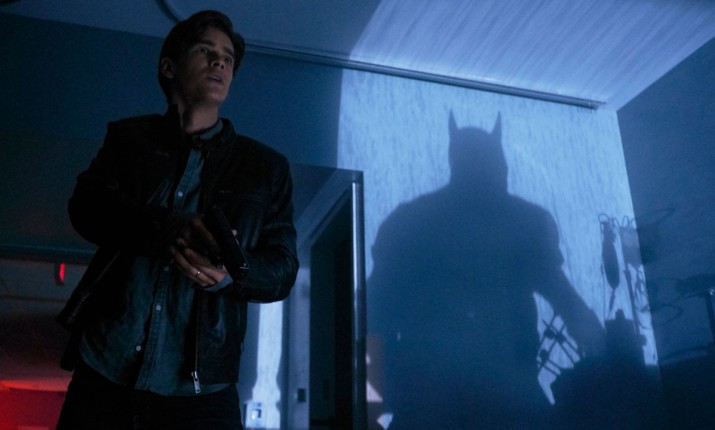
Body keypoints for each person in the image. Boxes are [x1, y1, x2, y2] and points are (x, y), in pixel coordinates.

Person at [55, 10, 298, 430]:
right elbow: (86, 207)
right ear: (169, 67)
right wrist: (167, 227)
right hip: (104, 372)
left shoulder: (266, 168)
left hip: (203, 393)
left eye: (227, 58)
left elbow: (283, 268)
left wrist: (231, 273)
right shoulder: (128, 139)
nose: (220, 62)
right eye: (205, 51)